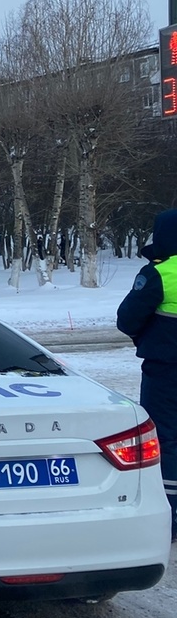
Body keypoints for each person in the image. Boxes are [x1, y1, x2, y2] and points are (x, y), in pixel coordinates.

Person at [117, 208, 177, 540]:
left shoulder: (160, 273)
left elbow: (127, 319)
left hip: (167, 370)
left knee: (167, 439)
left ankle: (171, 514)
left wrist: (145, 336)